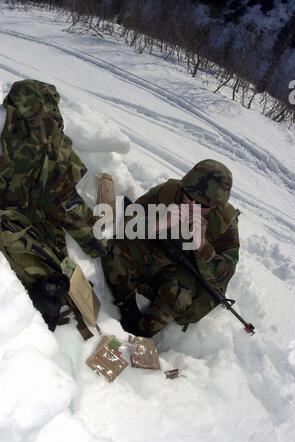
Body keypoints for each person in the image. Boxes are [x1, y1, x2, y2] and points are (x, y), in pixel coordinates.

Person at [0, 80, 106, 331]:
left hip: (30, 221)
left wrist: (99, 246)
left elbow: (64, 199)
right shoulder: (52, 143)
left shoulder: (55, 148)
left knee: (55, 274)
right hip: (12, 224)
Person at [102, 159, 240, 337]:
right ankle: (126, 306)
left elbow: (223, 275)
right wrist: (159, 223)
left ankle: (141, 333)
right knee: (116, 250)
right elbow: (127, 222)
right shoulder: (170, 191)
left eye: (201, 205)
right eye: (188, 196)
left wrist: (203, 247)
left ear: (215, 206)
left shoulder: (225, 223)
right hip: (158, 252)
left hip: (185, 273)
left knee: (179, 296)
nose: (191, 205)